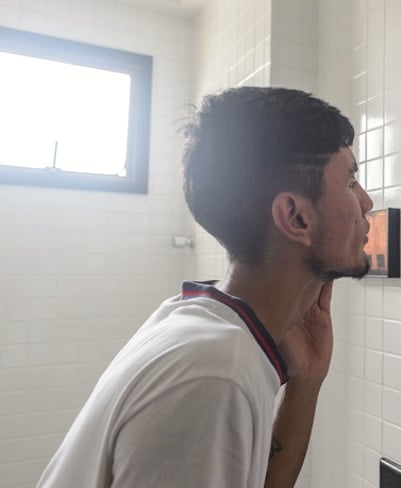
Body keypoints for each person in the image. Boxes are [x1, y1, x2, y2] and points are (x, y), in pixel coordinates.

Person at [37, 87, 373, 487]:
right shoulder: (214, 374)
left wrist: (306, 383)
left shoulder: (194, 323)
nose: (367, 202)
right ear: (295, 217)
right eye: (351, 180)